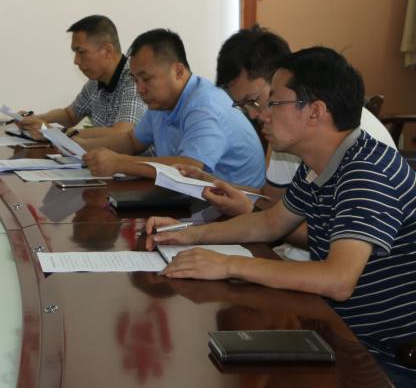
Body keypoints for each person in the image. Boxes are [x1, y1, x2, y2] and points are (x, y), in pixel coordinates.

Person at [146, 47, 416, 384]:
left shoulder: (366, 173)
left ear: (315, 112)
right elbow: (270, 222)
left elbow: (337, 280)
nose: (262, 115)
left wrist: (228, 265)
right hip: (342, 332)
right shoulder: (319, 165)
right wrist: (189, 232)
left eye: (274, 103)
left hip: (384, 357)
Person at [191, 26, 397, 220]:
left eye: (254, 100)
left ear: (280, 79)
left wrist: (249, 212)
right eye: (244, 106)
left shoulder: (353, 145)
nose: (253, 115)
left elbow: (325, 232)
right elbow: (272, 201)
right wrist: (212, 182)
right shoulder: (290, 134)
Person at [80, 29, 265, 187]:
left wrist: (119, 163)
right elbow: (131, 141)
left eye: (146, 79)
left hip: (238, 209)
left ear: (178, 71)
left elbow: (187, 168)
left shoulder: (204, 105)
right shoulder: (161, 103)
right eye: (135, 80)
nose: (140, 89)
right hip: (198, 200)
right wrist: (79, 147)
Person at [17, 15, 145, 138]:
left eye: (81, 52)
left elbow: (121, 134)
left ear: (107, 51)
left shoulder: (135, 80)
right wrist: (35, 119)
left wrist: (53, 133)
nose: (76, 61)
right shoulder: (95, 82)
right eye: (75, 53)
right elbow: (70, 115)